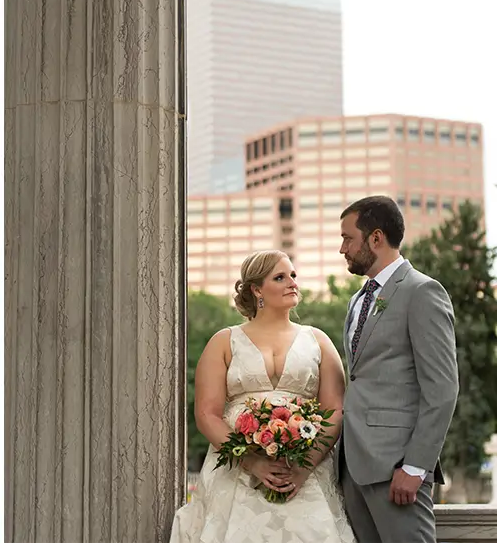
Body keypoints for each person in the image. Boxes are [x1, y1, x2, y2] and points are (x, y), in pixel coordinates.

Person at [170, 250, 356, 543]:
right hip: (237, 474)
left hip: (305, 474)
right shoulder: (223, 341)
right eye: (280, 277)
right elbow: (207, 414)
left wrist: (303, 466)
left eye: (293, 275)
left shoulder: (318, 341)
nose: (292, 283)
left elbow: (336, 409)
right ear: (257, 289)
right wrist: (252, 463)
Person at [337, 195, 458, 543]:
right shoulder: (359, 299)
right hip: (353, 467)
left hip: (397, 470)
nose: (342, 248)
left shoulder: (422, 292)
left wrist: (416, 466)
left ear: (376, 238)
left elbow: (443, 389)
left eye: (348, 238)